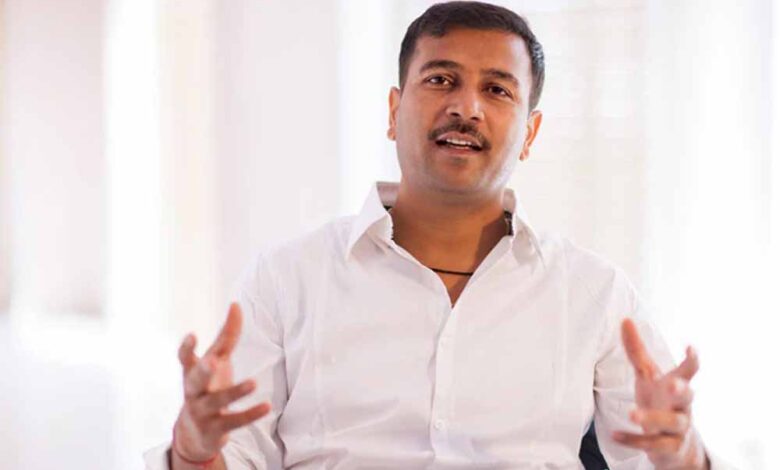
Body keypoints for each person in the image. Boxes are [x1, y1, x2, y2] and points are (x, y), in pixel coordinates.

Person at [145, 2, 726, 468]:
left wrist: (681, 455)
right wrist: (193, 451)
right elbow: (229, 460)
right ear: (393, 112)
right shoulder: (287, 279)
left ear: (529, 134)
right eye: (441, 79)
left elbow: (659, 456)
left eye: (497, 90)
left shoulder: (596, 293)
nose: (466, 107)